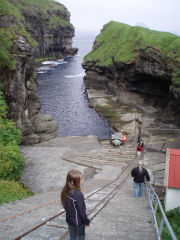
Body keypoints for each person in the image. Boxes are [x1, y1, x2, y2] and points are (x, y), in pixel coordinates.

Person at [61, 170, 90, 240]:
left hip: (69, 220)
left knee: (72, 236)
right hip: (78, 222)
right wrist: (86, 221)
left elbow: (66, 206)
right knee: (81, 235)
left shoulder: (65, 191)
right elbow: (82, 212)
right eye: (80, 180)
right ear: (72, 182)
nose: (81, 181)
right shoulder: (78, 195)